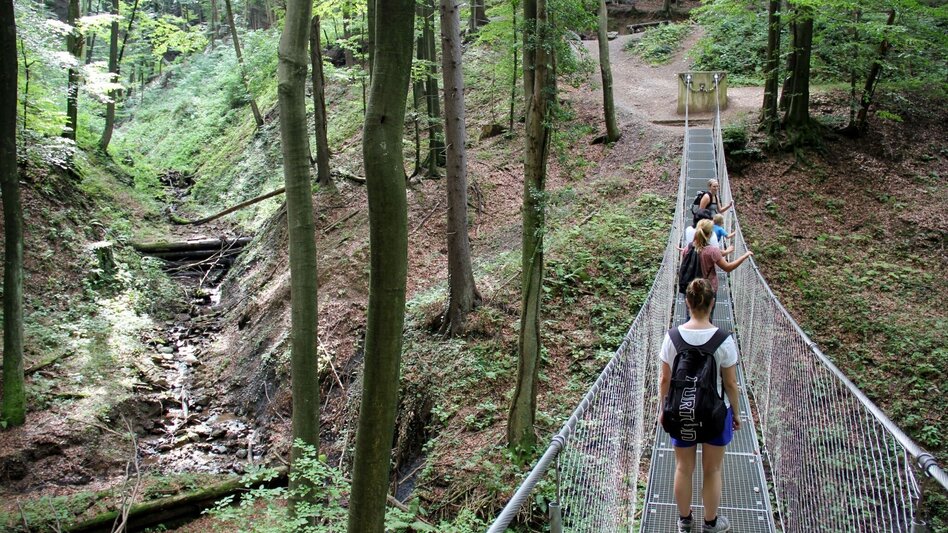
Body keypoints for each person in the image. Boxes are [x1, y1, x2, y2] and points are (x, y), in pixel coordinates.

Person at [659, 278, 741, 533]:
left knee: (683, 468)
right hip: (716, 413)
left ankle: (685, 521)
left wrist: (663, 410)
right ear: (712, 303)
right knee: (713, 469)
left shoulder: (672, 337)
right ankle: (710, 523)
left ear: (687, 302)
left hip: (682, 411)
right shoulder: (724, 339)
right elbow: (730, 384)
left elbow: (665, 379)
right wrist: (735, 414)